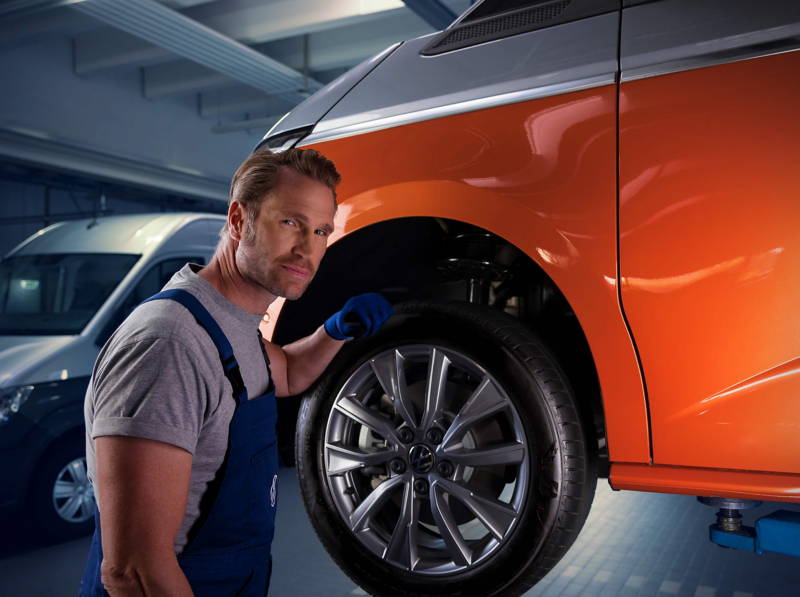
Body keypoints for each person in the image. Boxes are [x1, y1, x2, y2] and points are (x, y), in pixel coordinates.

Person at [79, 148, 393, 596]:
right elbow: (132, 571)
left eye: (321, 230)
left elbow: (281, 372)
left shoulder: (231, 324)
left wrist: (335, 330)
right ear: (239, 220)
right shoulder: (170, 345)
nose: (307, 247)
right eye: (291, 222)